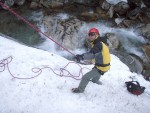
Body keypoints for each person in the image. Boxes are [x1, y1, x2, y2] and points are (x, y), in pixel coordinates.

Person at [72, 28, 111, 93]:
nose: (90, 36)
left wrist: (81, 57)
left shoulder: (98, 44)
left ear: (97, 35)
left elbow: (91, 54)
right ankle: (95, 81)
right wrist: (92, 61)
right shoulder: (99, 42)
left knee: (85, 77)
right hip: (104, 65)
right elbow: (98, 54)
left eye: (92, 34)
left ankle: (80, 90)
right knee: (97, 72)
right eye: (89, 34)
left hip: (102, 67)